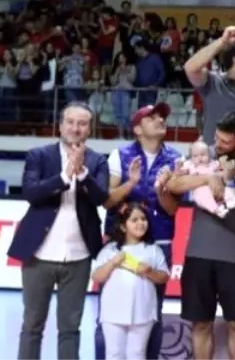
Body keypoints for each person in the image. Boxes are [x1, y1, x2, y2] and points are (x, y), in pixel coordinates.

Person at [10, 103, 109, 360]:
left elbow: (101, 197)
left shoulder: (98, 161)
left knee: (70, 328)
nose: (76, 128)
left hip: (78, 256)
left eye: (82, 123)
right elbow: (31, 193)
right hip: (39, 253)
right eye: (71, 122)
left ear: (90, 128)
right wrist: (65, 177)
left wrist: (83, 173)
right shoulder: (39, 155)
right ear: (61, 124)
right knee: (32, 324)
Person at [165, 112, 235, 360]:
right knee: (200, 324)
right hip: (199, 252)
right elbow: (175, 185)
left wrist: (230, 185)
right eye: (217, 137)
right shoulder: (203, 154)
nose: (218, 144)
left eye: (225, 141)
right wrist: (209, 177)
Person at [96, 102, 182, 360]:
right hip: (120, 242)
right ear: (137, 129)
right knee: (108, 311)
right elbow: (108, 201)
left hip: (160, 242)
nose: (160, 121)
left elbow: (173, 209)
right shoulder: (118, 155)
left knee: (152, 312)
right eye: (152, 118)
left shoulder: (176, 159)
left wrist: (161, 190)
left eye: (162, 117)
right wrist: (131, 182)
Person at [91, 204, 171, 360]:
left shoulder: (153, 250)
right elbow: (96, 277)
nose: (141, 223)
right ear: (123, 226)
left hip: (143, 310)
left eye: (143, 219)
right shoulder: (110, 250)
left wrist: (149, 272)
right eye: (134, 220)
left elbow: (164, 277)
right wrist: (112, 263)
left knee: (137, 354)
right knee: (114, 354)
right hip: (113, 312)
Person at [180, 142, 235, 217]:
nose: (199, 158)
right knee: (202, 196)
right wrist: (180, 167)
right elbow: (181, 173)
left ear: (209, 155)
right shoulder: (190, 165)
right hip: (200, 188)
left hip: (216, 187)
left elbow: (224, 169)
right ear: (191, 157)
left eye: (203, 154)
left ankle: (230, 200)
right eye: (195, 156)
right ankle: (216, 209)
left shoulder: (213, 163)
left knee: (226, 186)